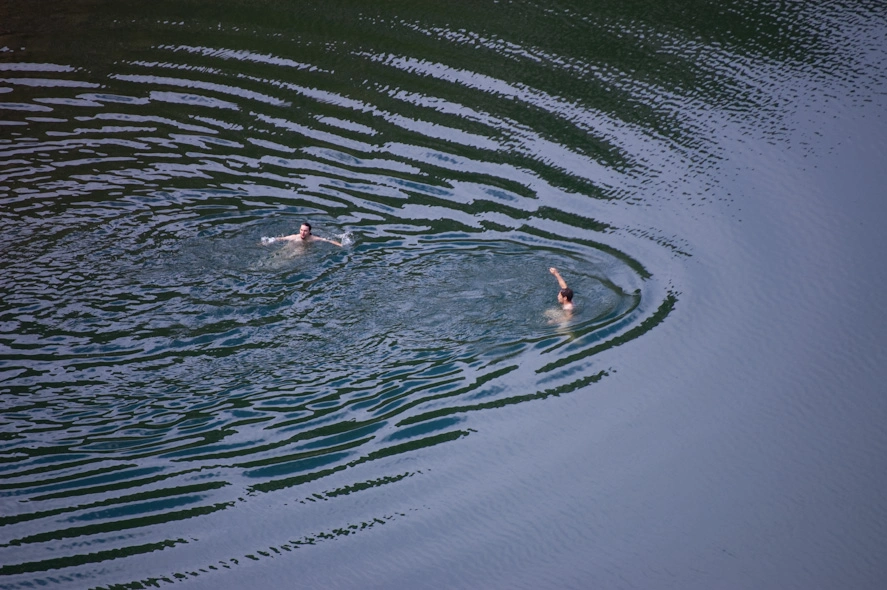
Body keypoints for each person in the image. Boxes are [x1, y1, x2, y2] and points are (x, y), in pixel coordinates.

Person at [276, 223, 342, 246]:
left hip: (302, 249)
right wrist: (268, 242)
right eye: (301, 230)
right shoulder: (295, 237)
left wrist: (339, 244)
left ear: (309, 231)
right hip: (292, 245)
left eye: (305, 231)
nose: (302, 232)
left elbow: (328, 240)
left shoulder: (313, 238)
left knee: (293, 255)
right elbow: (281, 238)